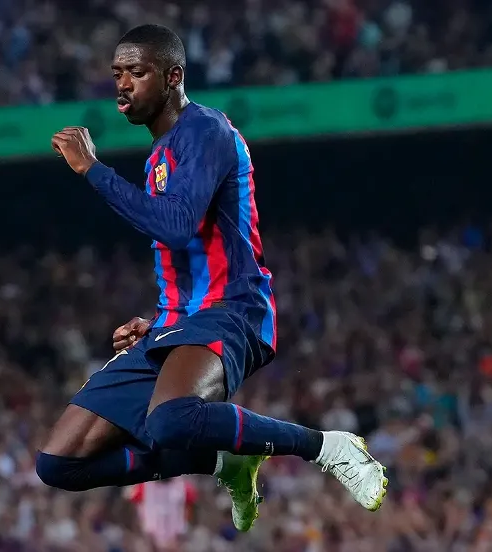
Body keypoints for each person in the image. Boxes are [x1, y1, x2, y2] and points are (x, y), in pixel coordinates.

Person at [41, 23, 388, 532]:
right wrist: (158, 321)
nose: (123, 84)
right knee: (59, 464)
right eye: (117, 74)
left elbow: (176, 226)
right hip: (179, 321)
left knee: (170, 420)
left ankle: (327, 446)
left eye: (136, 72)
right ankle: (227, 461)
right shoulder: (160, 153)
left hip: (233, 309)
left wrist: (93, 169)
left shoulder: (206, 131)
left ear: (173, 76)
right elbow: (187, 252)